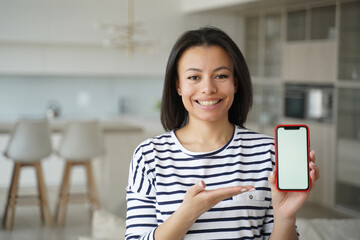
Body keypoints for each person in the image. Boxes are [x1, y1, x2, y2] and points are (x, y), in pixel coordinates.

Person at [125, 26, 319, 240]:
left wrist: (285, 217)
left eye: (221, 75)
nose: (208, 88)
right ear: (178, 85)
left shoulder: (270, 153)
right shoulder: (149, 156)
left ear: (235, 83)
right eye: (193, 77)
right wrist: (187, 214)